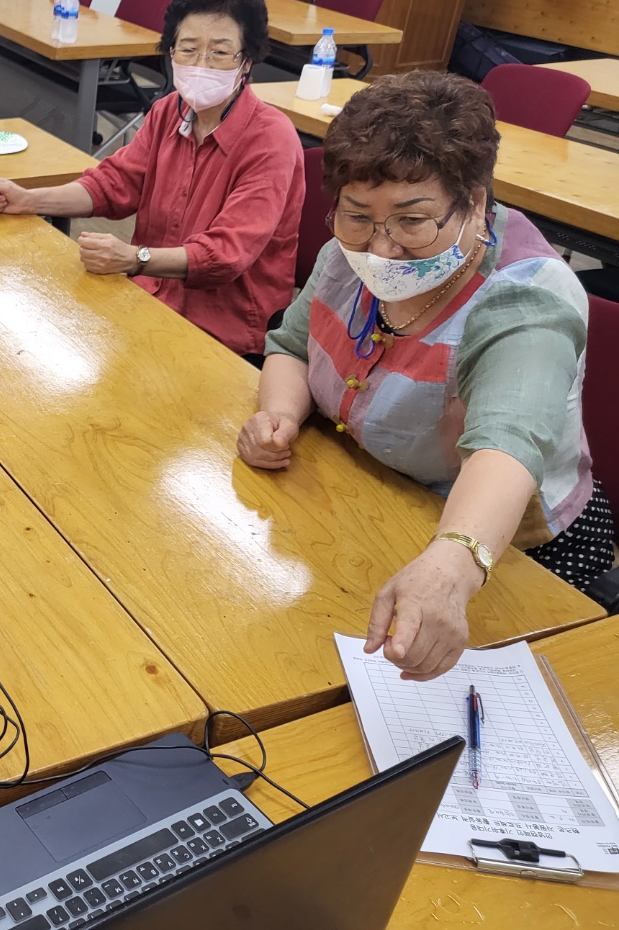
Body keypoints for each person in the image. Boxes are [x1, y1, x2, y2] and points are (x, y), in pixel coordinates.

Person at [238, 72, 610, 682]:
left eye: (412, 222)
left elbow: (508, 443)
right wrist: (279, 413)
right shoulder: (348, 256)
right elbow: (293, 344)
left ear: (475, 205)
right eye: (357, 216)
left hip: (507, 551)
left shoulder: (525, 298)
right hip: (372, 495)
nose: (381, 250)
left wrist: (453, 565)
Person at [0, 0, 304, 360]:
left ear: (246, 61)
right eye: (188, 49)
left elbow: (226, 254)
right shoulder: (168, 112)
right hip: (147, 298)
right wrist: (29, 200)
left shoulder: (271, 138)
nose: (201, 64)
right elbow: (113, 183)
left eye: (219, 53)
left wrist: (135, 259)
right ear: (171, 53)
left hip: (222, 331)